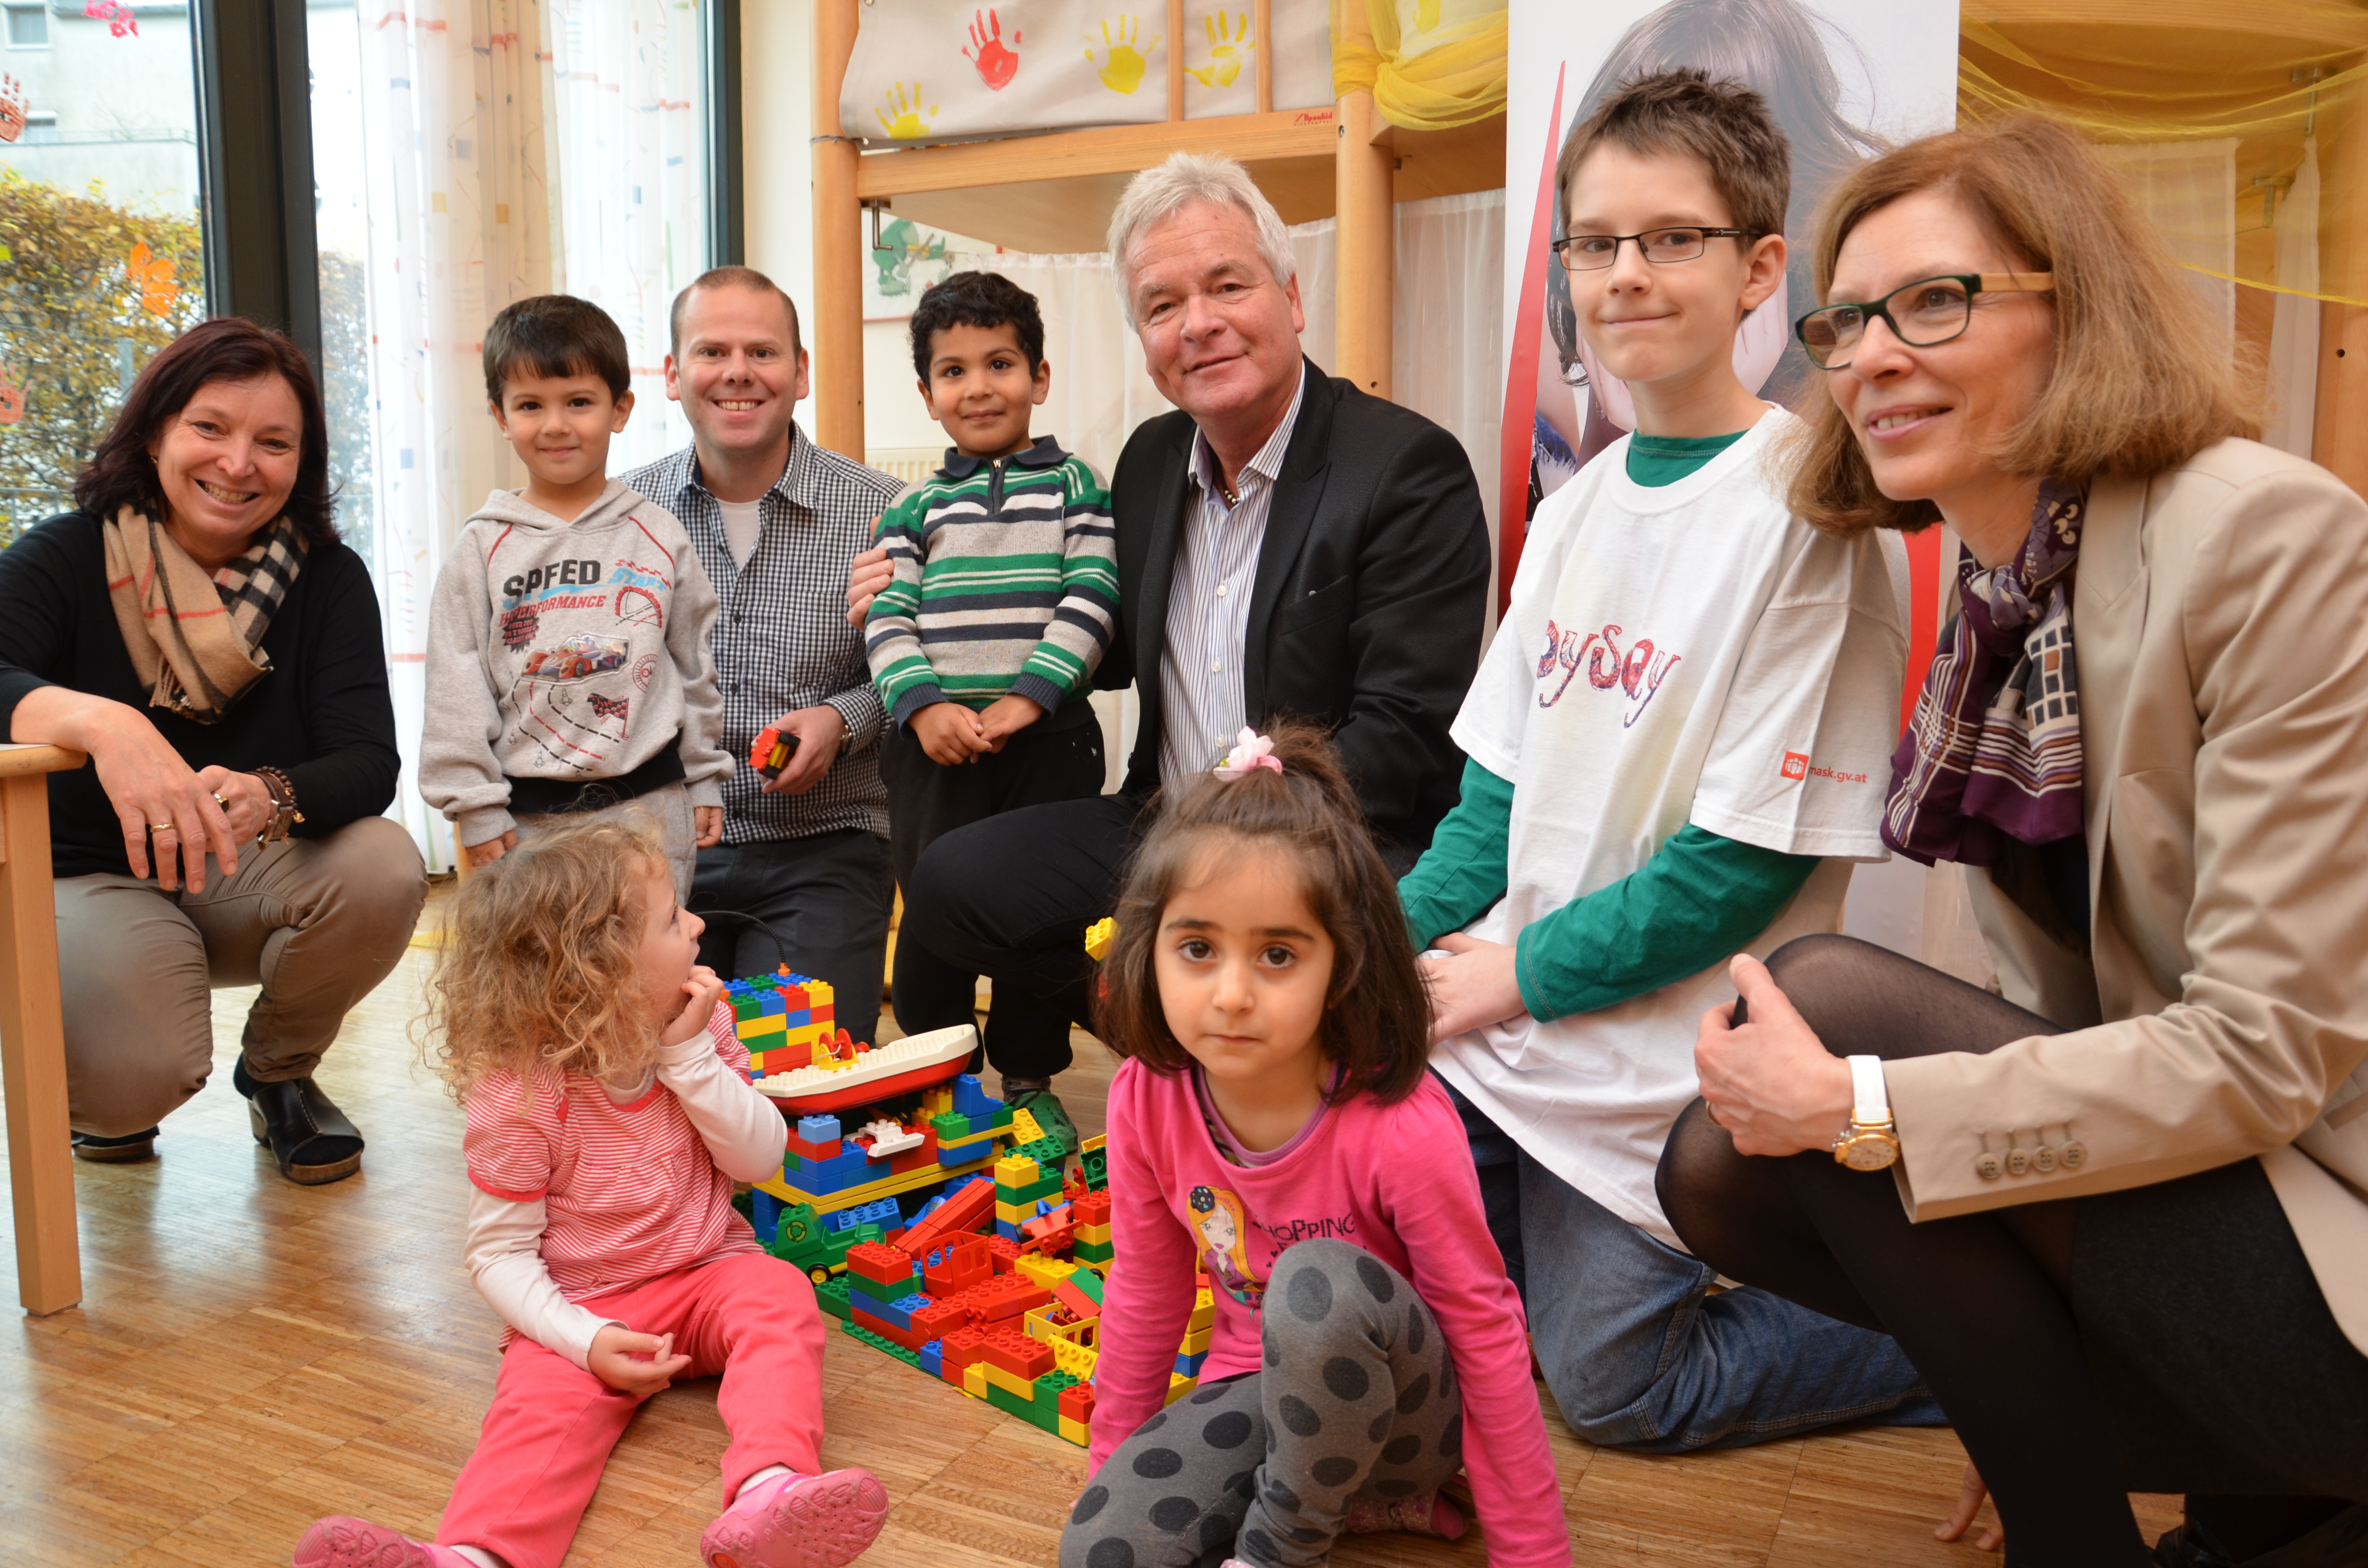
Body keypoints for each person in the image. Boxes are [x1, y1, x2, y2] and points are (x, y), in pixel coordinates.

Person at [1661, 116, 2368, 1568]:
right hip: (2225, 1198)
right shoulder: (2003, 596)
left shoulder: (2269, 536)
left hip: (2332, 1219)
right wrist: (2007, 1387)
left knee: (1835, 1011)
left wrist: (1863, 1107)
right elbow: (2068, 1020)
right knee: (1711, 1164)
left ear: (2076, 306)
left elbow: (2259, 1051)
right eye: (1845, 321)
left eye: (1934, 301)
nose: (1867, 357)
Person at [1399, 69, 1937, 1452]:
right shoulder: (1573, 511)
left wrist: (1513, 974)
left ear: (1762, 265)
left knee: (1614, 1394)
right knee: (1414, 1315)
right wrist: (1365, 949)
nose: (1626, 276)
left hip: (1645, 1068)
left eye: (1672, 239)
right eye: (1596, 243)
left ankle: (1966, 1339)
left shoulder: (1809, 518)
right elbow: (1493, 804)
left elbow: (1739, 869)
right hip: (1497, 1038)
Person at [850, 152, 1491, 1142]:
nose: (1198, 322)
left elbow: (1402, 736)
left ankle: (1199, 1074)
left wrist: (1232, 845)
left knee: (1219, 944)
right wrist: (916, 601)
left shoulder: (1405, 467)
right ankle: (1111, 1057)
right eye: (1162, 304)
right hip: (1163, 814)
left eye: (1227, 285)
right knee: (951, 886)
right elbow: (1098, 636)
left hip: (1329, 835)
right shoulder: (1151, 461)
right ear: (1143, 337)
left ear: (1289, 295)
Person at [292, 815, 888, 1568]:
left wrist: (691, 1059)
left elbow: (762, 1160)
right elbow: (498, 1256)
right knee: (533, 1417)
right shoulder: (519, 1096)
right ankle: (471, 1559)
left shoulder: (703, 1023)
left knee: (778, 1295)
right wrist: (584, 1341)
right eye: (674, 918)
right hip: (584, 1304)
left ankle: (769, 1493)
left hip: (709, 1272)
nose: (700, 924)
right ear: (601, 969)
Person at [1063, 723, 1567, 1568]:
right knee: (1101, 1549)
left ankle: (1284, 1542)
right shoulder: (1142, 1098)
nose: (1230, 993)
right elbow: (1145, 1294)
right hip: (1257, 1392)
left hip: (1408, 1417)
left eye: (1276, 954)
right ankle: (1353, 1507)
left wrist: (1533, 1553)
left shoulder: (1399, 1124)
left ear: (1339, 967)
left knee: (1315, 1281)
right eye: (1196, 947)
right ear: (1148, 948)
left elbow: (1484, 1330)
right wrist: (1107, 1474)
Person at [0, 316, 423, 1182]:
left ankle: (278, 1074)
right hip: (88, 874)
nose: (239, 464)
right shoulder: (69, 553)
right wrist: (103, 722)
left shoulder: (327, 578)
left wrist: (273, 793)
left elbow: (367, 760)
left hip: (241, 866)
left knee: (384, 861)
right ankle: (118, 1070)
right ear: (155, 431)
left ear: (301, 462)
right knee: (126, 1089)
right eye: (210, 428)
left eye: (274, 442)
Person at [624, 267, 901, 1045]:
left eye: (763, 351)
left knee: (804, 1077)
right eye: (712, 350)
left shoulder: (882, 510)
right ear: (673, 374)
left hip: (823, 845)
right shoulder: (622, 517)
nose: (738, 372)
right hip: (658, 853)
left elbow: (920, 671)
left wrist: (842, 718)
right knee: (644, 1082)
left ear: (800, 371)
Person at [864, 270, 1116, 1114]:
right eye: (954, 370)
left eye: (1000, 363)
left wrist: (1028, 699)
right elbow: (886, 615)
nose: (978, 386)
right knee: (933, 911)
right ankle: (939, 1074)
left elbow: (1091, 599)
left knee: (1039, 923)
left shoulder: (1078, 487)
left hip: (1045, 744)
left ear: (1039, 378)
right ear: (928, 394)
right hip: (931, 752)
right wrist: (923, 705)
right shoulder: (912, 508)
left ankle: (1029, 1075)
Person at [420, 294, 730, 898]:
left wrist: (703, 777)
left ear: (620, 410)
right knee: (541, 982)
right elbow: (455, 685)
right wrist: (475, 807)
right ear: (501, 416)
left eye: (579, 403)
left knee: (649, 974)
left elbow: (695, 667)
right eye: (530, 405)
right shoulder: (481, 547)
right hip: (525, 826)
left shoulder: (659, 534)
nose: (556, 425)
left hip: (651, 809)